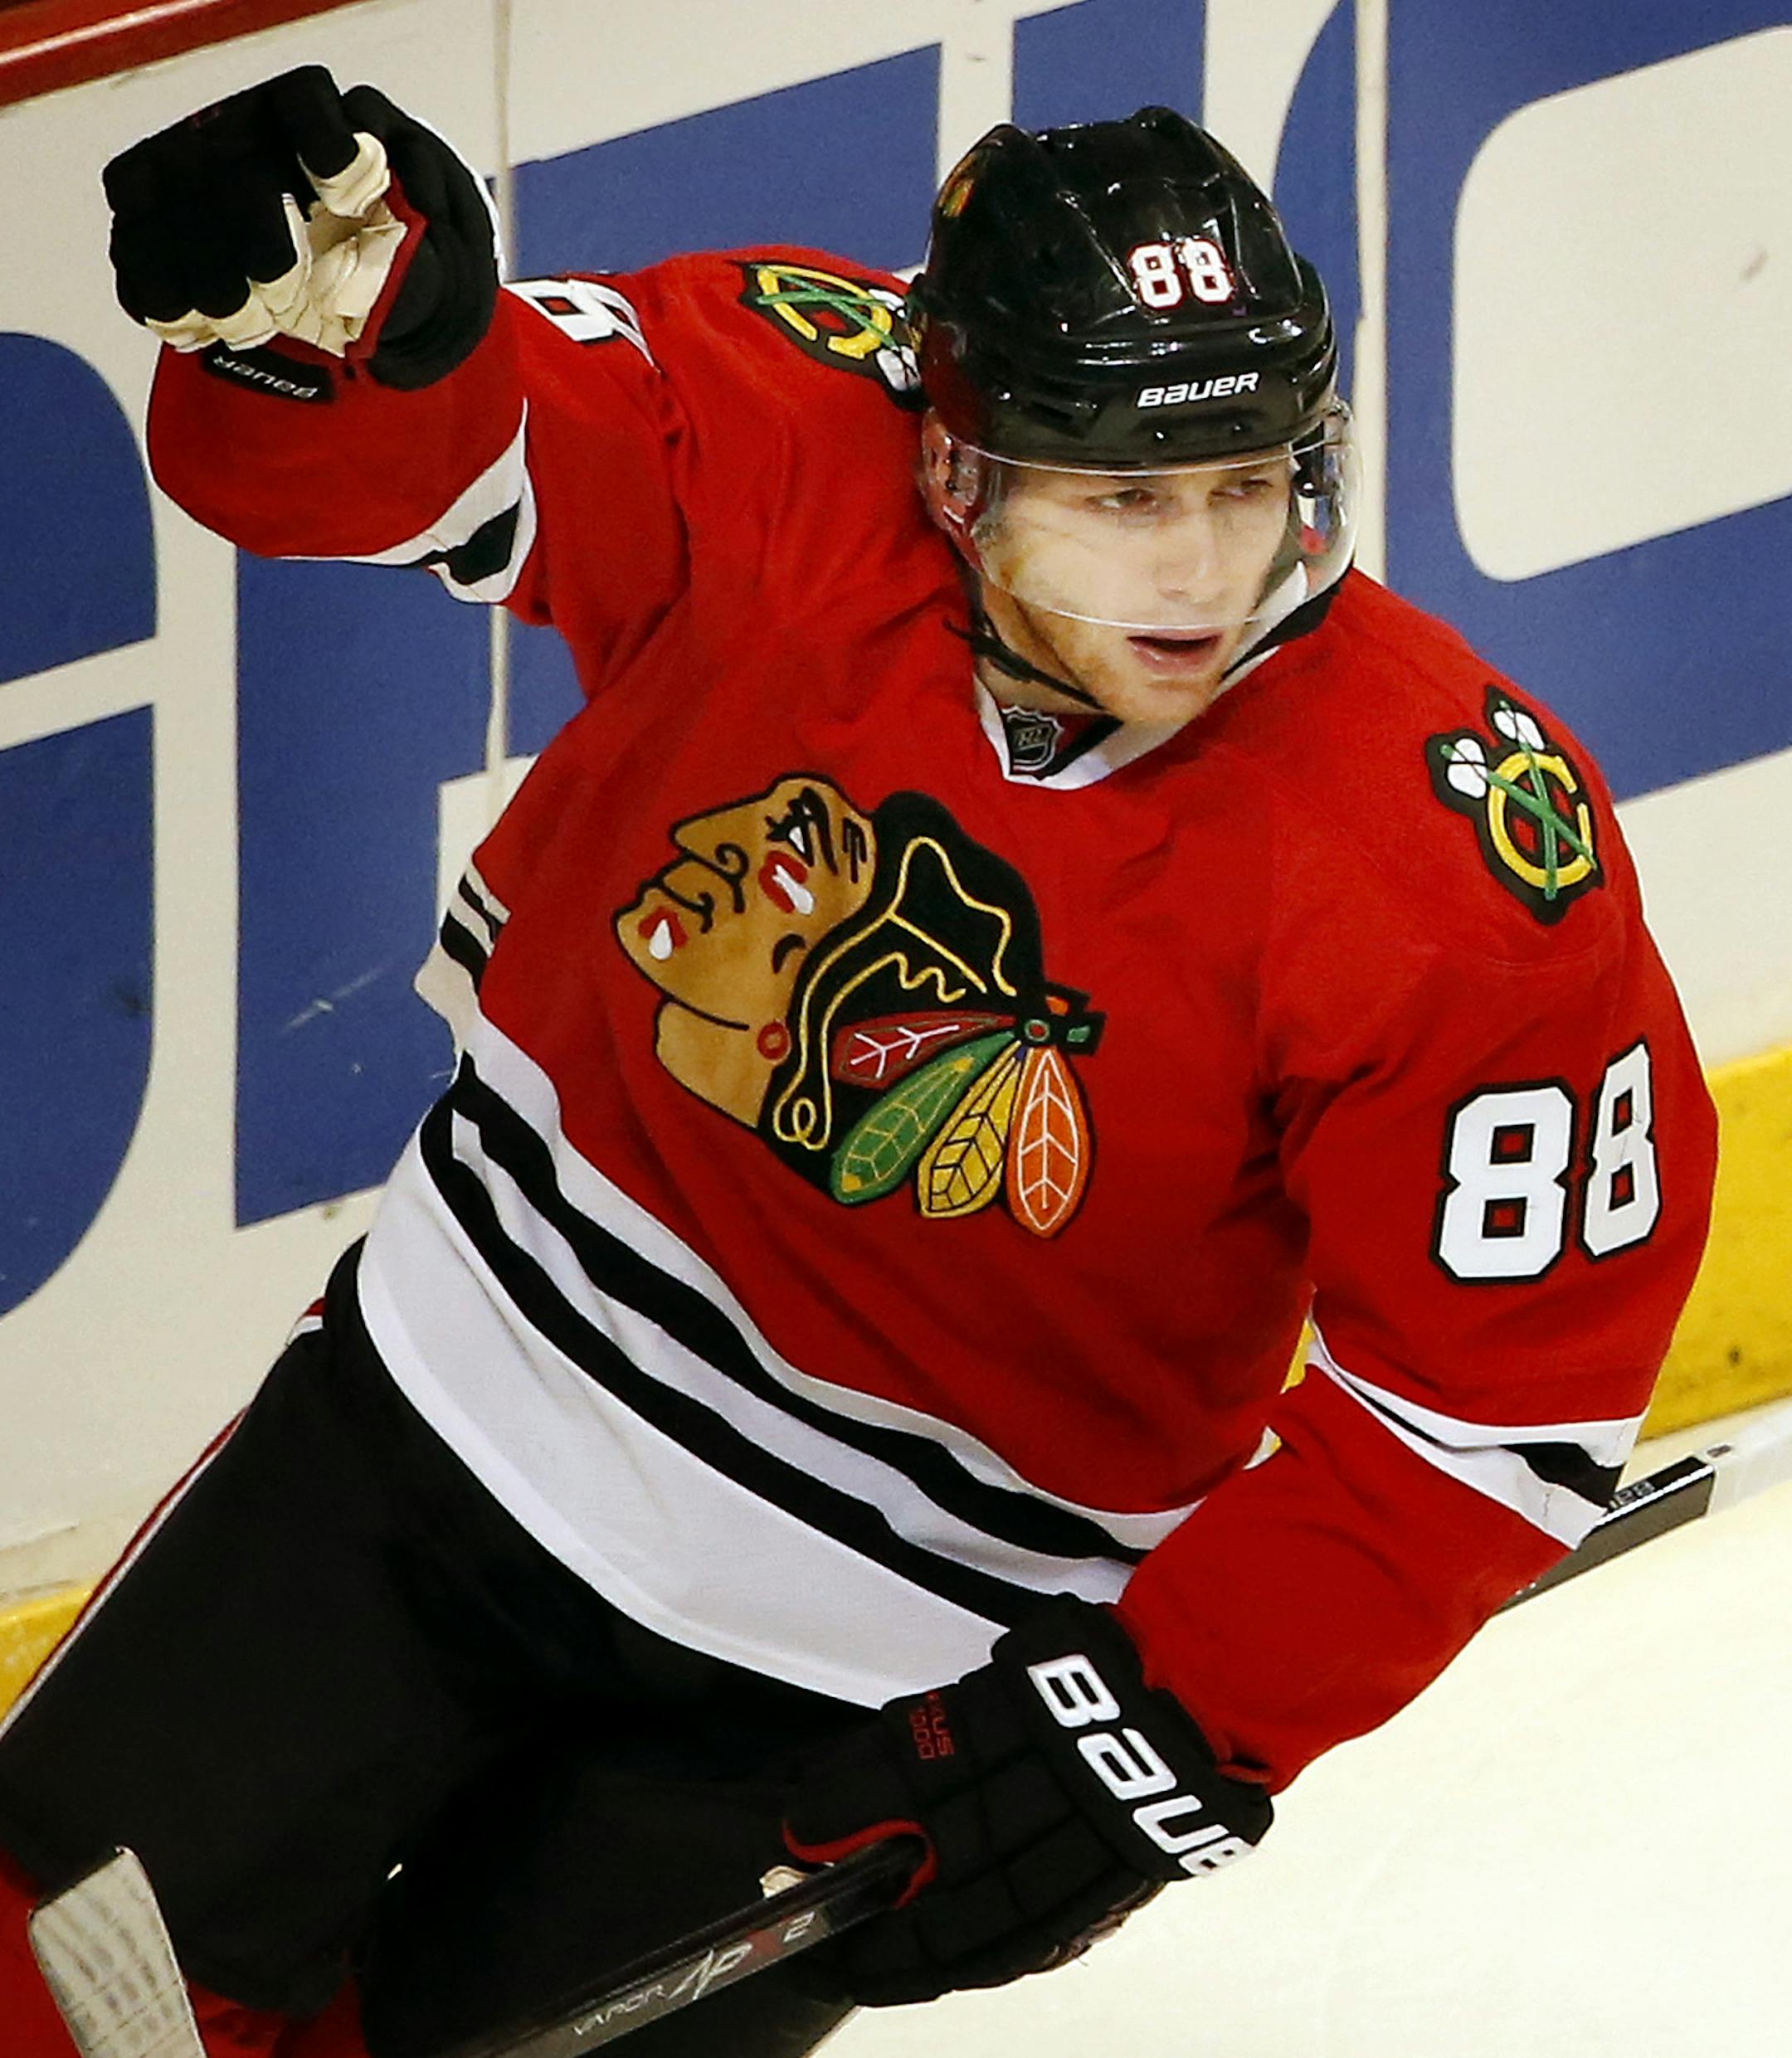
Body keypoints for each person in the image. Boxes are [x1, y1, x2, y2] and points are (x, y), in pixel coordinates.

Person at [0, 65, 1717, 2058]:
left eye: (1245, 484)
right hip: (439, 1436)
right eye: (1121, 499)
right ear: (957, 465)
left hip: (876, 1655)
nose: (1196, 573)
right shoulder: (795, 423)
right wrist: (344, 348)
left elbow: (1492, 1415)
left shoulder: (1452, 850)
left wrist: (1159, 1721)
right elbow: (431, 461)